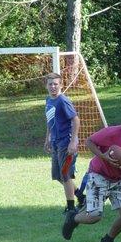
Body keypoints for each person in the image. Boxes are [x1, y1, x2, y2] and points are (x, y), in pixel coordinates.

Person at [62, 104, 121, 242]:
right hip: (98, 175)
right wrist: (104, 156)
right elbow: (89, 141)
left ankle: (108, 240)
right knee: (94, 216)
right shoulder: (112, 133)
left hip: (119, 179)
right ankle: (73, 218)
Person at [44, 72, 84, 213]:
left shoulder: (63, 101)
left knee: (65, 174)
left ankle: (71, 208)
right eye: (50, 84)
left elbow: (76, 120)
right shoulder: (48, 100)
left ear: (61, 85)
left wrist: (73, 141)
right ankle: (81, 196)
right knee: (58, 176)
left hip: (66, 143)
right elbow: (50, 120)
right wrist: (47, 138)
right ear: (46, 86)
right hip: (55, 142)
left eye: (56, 84)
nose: (53, 87)